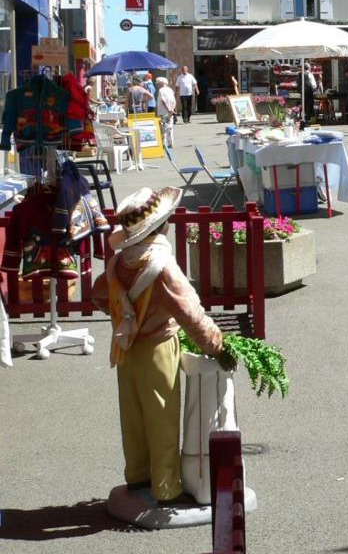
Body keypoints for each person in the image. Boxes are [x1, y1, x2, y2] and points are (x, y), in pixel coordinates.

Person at [90, 187, 236, 505]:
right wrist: (217, 344)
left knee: (133, 414)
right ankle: (166, 487)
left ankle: (138, 475)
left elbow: (99, 295)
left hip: (125, 347)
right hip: (157, 346)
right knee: (162, 418)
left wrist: (124, 317)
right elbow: (189, 311)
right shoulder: (160, 264)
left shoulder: (119, 262)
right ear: (161, 226)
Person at [156, 77, 177, 148]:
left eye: (158, 83)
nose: (157, 85)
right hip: (170, 111)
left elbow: (163, 100)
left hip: (163, 111)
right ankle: (171, 142)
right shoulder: (170, 90)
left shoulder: (161, 90)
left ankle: (163, 143)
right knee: (170, 127)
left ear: (161, 83)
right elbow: (174, 101)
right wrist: (172, 109)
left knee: (163, 127)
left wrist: (168, 109)